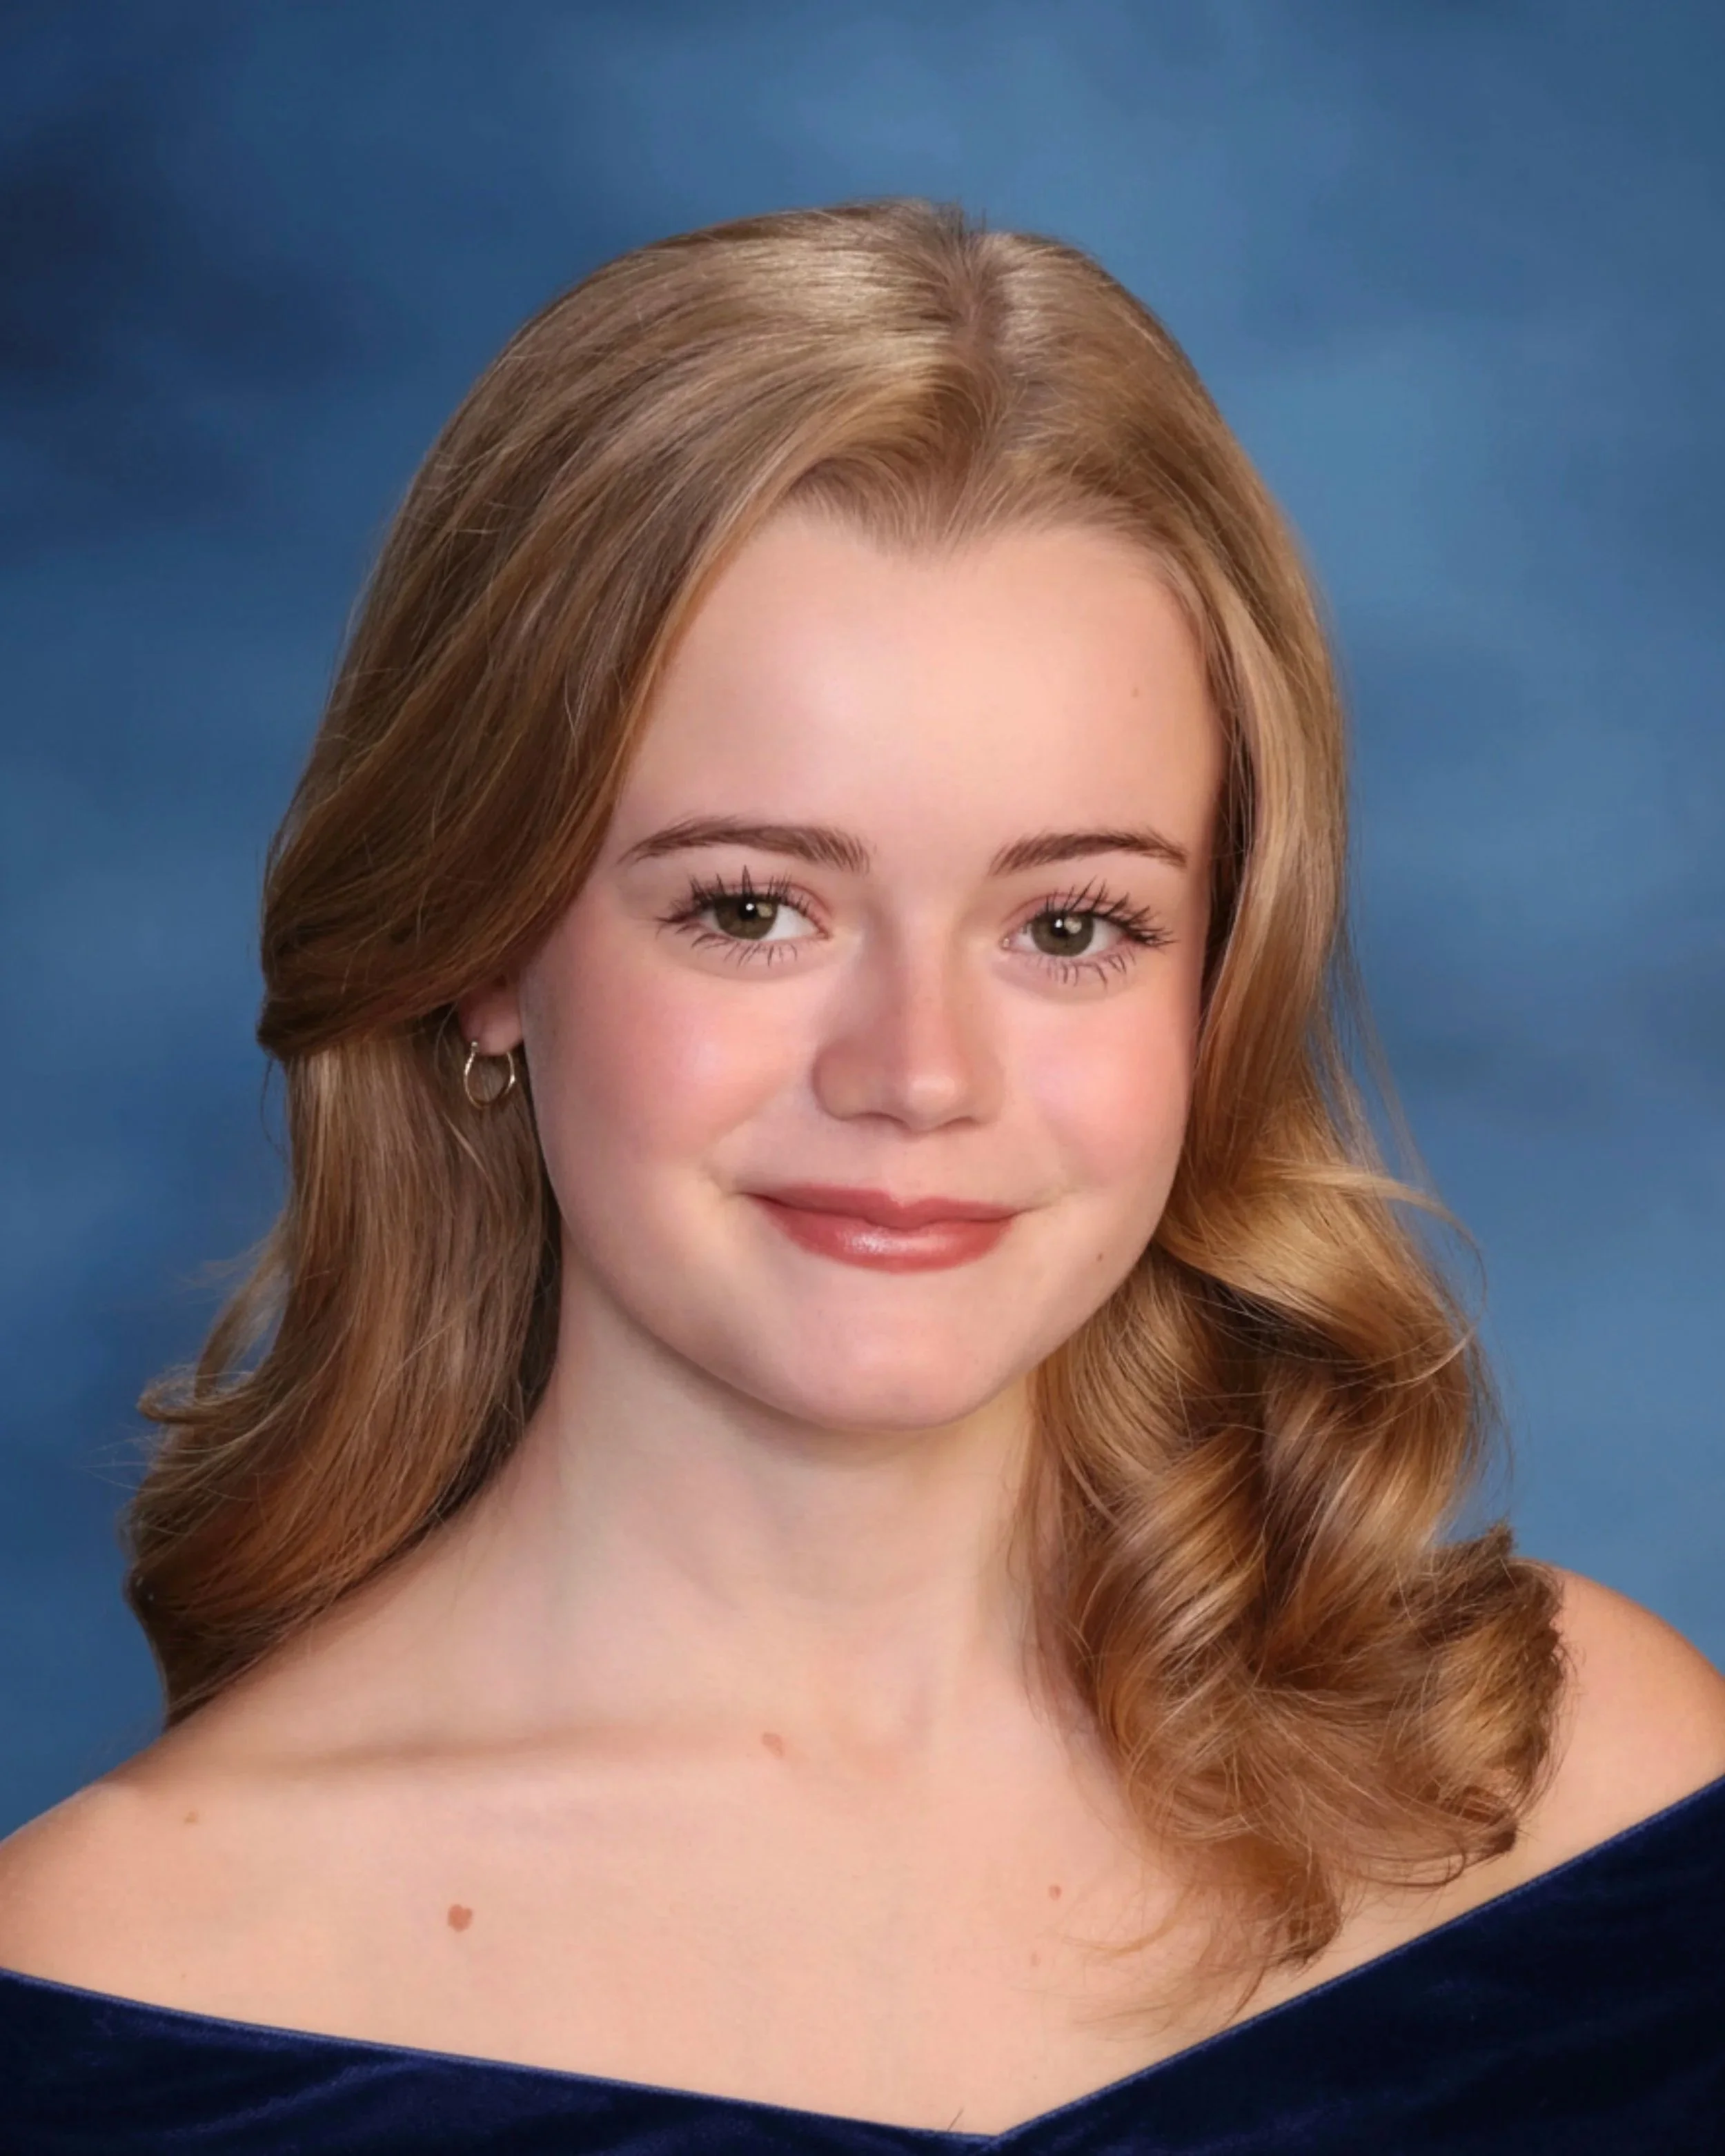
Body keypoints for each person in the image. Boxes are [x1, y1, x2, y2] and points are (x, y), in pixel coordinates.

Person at [1, 199, 1721, 2153]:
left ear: (1218, 977)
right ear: (485, 941)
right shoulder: (109, 1998)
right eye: (752, 907)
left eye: (1069, 926)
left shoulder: (1599, 1803)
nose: (917, 1075)